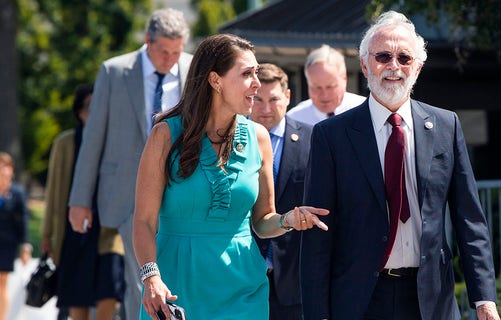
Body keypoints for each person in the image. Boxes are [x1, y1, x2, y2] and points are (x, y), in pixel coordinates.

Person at [300, 10, 501, 320]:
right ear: (365, 66)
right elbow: (318, 232)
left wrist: (484, 299)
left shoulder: (447, 126)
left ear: (418, 69)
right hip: (360, 300)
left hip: (431, 300)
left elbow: (470, 221)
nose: (393, 66)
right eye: (383, 56)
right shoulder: (331, 136)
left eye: (404, 58)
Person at [132, 34, 328, 320]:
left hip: (243, 289)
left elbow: (262, 221)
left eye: (257, 73)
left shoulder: (258, 137)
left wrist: (288, 220)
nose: (257, 84)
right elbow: (144, 221)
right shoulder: (165, 134)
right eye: (247, 74)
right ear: (216, 80)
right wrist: (151, 278)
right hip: (176, 286)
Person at [66, 8, 192, 320]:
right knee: (141, 281)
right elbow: (93, 138)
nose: (170, 59)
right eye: (163, 51)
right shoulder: (114, 72)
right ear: (147, 40)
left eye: (176, 51)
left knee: (176, 277)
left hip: (182, 191)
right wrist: (79, 200)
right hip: (126, 194)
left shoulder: (193, 68)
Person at [41, 84, 125, 320]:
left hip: (109, 232)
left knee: (109, 290)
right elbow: (54, 191)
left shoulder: (116, 142)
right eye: (91, 106)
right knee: (77, 298)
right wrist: (47, 234)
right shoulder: (65, 143)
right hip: (74, 233)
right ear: (79, 112)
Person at [250, 63, 312, 319]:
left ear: (287, 97)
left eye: (273, 99)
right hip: (243, 274)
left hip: (294, 281)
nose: (265, 109)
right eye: (258, 100)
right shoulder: (230, 140)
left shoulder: (313, 140)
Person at [286, 44, 365, 125]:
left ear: (344, 79)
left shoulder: (367, 112)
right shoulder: (294, 120)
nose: (324, 95)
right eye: (317, 87)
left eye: (330, 87)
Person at [0, 151, 29, 320]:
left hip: (6, 244)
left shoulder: (17, 193)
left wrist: (25, 245)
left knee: (2, 282)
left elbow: (23, 220)